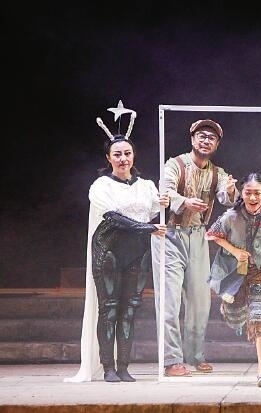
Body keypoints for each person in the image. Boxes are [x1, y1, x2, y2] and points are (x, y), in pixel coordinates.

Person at [64, 100, 169, 383]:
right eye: (117, 154)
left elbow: (154, 213)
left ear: (134, 156)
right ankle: (108, 367)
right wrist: (148, 227)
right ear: (109, 158)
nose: (123, 159)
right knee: (109, 309)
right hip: (108, 250)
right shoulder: (101, 186)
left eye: (127, 153)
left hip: (137, 253)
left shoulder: (146, 186)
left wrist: (163, 203)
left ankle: (123, 366)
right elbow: (113, 218)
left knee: (129, 310)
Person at [151, 119, 239, 377]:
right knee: (169, 300)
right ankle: (171, 360)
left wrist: (231, 190)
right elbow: (165, 191)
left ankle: (195, 355)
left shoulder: (218, 173)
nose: (206, 141)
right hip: (170, 235)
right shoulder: (175, 164)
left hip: (198, 236)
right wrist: (184, 201)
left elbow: (226, 198)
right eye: (202, 136)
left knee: (201, 301)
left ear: (217, 144)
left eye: (211, 138)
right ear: (192, 139)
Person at [205, 172, 261, 387]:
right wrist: (235, 251)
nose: (252, 198)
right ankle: (230, 306)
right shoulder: (231, 216)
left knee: (258, 315)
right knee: (235, 316)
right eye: (248, 193)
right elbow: (212, 235)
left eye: (257, 193)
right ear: (242, 193)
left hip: (260, 270)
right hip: (234, 272)